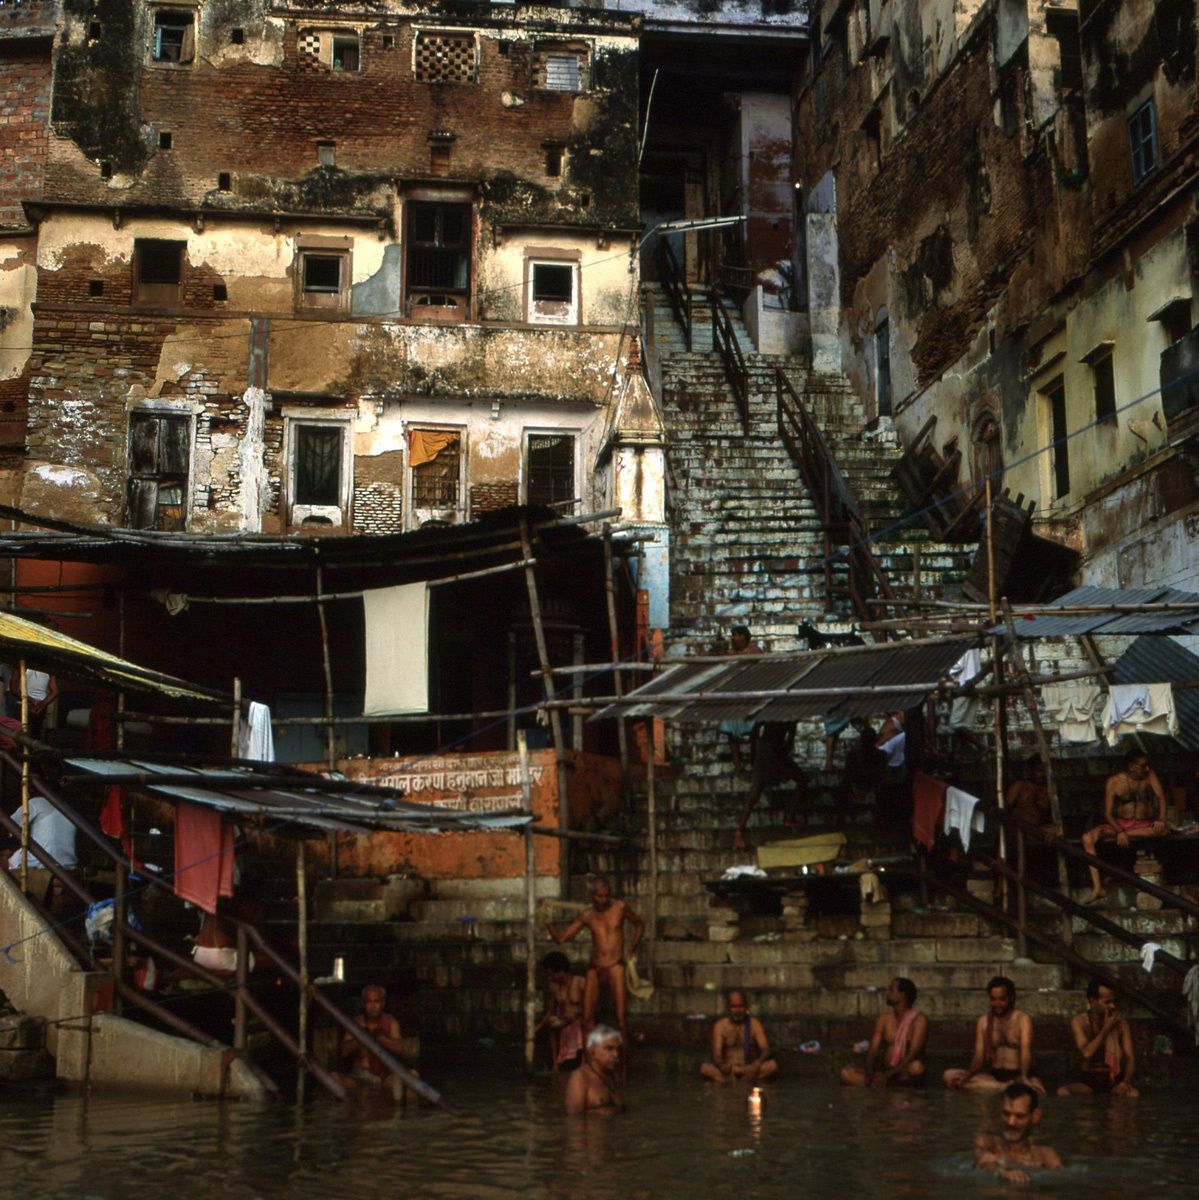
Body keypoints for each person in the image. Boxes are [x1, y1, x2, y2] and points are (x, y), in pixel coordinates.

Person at [547, 877, 643, 1056]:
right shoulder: (587, 915)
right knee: (587, 1020)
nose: (604, 900)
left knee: (621, 1020)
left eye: (606, 895)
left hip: (615, 966)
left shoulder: (620, 907)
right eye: (599, 896)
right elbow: (561, 938)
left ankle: (622, 1068)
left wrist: (633, 947)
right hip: (595, 966)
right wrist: (546, 921)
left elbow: (639, 924)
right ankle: (588, 1064)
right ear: (592, 896)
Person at [1081, 752, 1168, 902]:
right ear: (1132, 767)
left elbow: (1161, 798)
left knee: (1163, 831)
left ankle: (1128, 833)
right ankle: (1097, 887)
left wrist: (1161, 820)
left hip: (1144, 824)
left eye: (1148, 765)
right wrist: (1120, 831)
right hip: (1120, 825)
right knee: (1087, 838)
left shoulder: (1149, 775)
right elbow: (1107, 814)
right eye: (1143, 766)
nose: (1147, 768)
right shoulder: (1114, 781)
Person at [944, 976, 1043, 1091]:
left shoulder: (1022, 1020)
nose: (997, 1004)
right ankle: (1005, 1087)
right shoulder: (984, 1021)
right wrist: (967, 1076)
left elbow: (1026, 1053)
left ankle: (1010, 1086)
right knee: (949, 1075)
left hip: (1018, 1075)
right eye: (993, 999)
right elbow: (978, 1058)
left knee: (1035, 1088)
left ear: (1011, 998)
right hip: (995, 1077)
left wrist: (1024, 1076)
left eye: (1002, 999)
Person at [840, 976, 927, 1087]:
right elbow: (873, 1049)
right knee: (846, 1073)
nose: (887, 993)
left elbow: (913, 1053)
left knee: (917, 1068)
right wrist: (870, 1072)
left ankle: (886, 1084)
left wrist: (889, 1075)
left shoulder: (919, 1020)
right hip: (885, 1071)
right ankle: (880, 1084)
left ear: (902, 994)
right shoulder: (884, 1019)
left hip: (904, 1072)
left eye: (891, 990)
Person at [1057, 979, 1138, 1096]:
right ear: (1093, 1001)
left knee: (1134, 1095)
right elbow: (1087, 1054)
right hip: (1088, 1080)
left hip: (1114, 1079)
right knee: (1062, 1092)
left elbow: (1130, 1058)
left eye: (1113, 1001)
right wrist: (1106, 1029)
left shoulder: (1121, 1024)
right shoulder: (1080, 1022)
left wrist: (1125, 1082)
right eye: (1107, 1002)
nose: (1112, 1006)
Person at [333, 983, 415, 1099]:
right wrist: (361, 1039)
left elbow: (399, 1048)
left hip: (384, 1077)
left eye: (376, 1001)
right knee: (333, 1078)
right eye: (369, 1002)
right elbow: (344, 1050)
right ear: (363, 1004)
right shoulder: (355, 1023)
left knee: (411, 1076)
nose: (373, 1006)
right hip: (359, 1077)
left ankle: (406, 1114)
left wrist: (380, 1039)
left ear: (383, 1003)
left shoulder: (391, 1023)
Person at [734, 722, 806, 850]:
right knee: (755, 791)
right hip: (769, 752)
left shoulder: (777, 713)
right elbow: (789, 742)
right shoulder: (785, 715)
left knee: (755, 792)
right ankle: (789, 816)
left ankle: (739, 832)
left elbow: (755, 734)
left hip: (768, 751)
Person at [973, 1082, 1062, 1185]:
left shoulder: (1045, 1155)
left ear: (1035, 1116)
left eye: (1020, 1116)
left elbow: (1060, 1178)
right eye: (1006, 1114)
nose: (1011, 1122)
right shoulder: (987, 1143)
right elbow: (984, 1162)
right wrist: (1002, 1172)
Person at [7, 793, 77, 911]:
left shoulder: (37, 802)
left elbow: (9, 826)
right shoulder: (68, 808)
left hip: (44, 864)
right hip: (68, 865)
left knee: (6, 863)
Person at [700, 988, 778, 1083]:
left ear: (746, 1007)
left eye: (741, 1006)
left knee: (772, 1066)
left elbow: (765, 1050)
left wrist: (756, 1064)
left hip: (749, 1069)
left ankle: (743, 1080)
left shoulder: (754, 1024)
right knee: (705, 1068)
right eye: (734, 1006)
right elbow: (717, 1054)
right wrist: (722, 1066)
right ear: (728, 1008)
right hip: (729, 1070)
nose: (737, 1010)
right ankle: (730, 1081)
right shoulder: (720, 1026)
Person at [535, 950, 586, 1071]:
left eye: (552, 974)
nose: (550, 977)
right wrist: (539, 1026)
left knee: (586, 1022)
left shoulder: (580, 982)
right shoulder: (553, 986)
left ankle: (584, 1062)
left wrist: (577, 1015)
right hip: (563, 1020)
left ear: (561, 971)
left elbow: (591, 1007)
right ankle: (556, 1064)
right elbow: (551, 1010)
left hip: (580, 1019)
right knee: (552, 1023)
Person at [719, 625, 760, 773]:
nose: (733, 638)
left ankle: (754, 763)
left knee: (754, 732)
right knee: (731, 733)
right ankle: (737, 766)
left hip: (751, 695)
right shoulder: (730, 653)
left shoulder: (755, 651)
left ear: (744, 636)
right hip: (733, 696)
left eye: (736, 635)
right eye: (733, 635)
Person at [564, 1025, 623, 1115]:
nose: (616, 1054)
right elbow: (574, 1119)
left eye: (617, 1049)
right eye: (609, 1049)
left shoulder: (614, 1075)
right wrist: (603, 1112)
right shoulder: (580, 1078)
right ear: (592, 1051)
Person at [1006, 759, 1055, 835]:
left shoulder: (1051, 790)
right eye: (1039, 770)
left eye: (1045, 771)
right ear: (1031, 770)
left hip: (1038, 831)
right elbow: (1006, 808)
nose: (1043, 774)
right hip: (1017, 828)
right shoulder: (1020, 786)